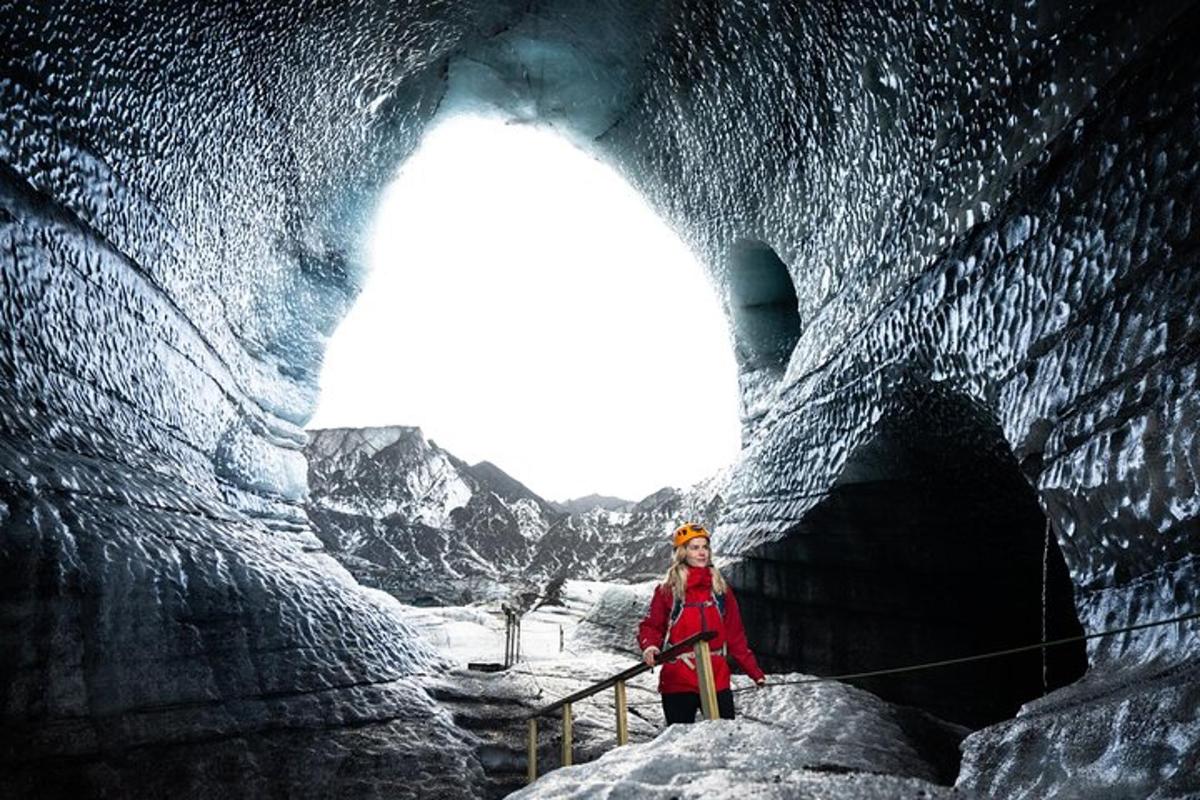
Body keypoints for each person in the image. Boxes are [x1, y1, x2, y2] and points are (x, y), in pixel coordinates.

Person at [637, 522, 766, 724]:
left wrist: (755, 673)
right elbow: (652, 625)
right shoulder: (667, 590)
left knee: (725, 739)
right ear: (682, 552)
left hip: (717, 677)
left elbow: (735, 636)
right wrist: (650, 646)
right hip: (678, 679)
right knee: (680, 745)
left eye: (705, 547)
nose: (702, 553)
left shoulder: (721, 591)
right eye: (694, 547)